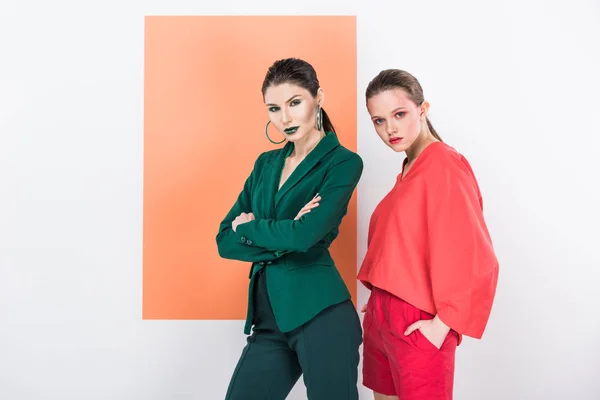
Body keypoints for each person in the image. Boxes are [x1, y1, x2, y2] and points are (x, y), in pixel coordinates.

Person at [215, 57, 363, 400]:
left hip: (321, 316)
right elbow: (225, 239)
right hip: (268, 324)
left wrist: (253, 227)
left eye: (295, 102)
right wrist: (289, 231)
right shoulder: (266, 164)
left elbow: (306, 236)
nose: (285, 118)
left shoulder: (342, 163)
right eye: (274, 108)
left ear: (318, 98)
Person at [357, 69, 499, 400]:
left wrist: (443, 324)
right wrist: (381, 297)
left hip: (418, 318)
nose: (389, 128)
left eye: (399, 114)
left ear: (423, 109)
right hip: (382, 313)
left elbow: (474, 252)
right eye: (378, 121)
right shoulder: (409, 168)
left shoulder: (444, 164)